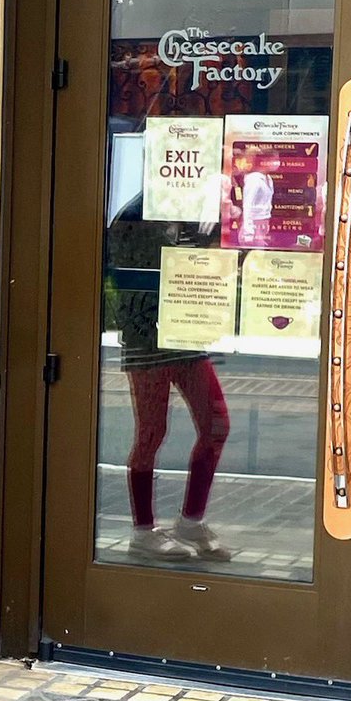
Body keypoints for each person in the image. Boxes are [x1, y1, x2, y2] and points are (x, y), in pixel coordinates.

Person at [107, 193, 232, 561]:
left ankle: (190, 522)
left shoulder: (195, 210)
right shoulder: (135, 215)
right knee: (150, 433)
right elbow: (135, 282)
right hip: (148, 341)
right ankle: (143, 531)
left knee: (216, 425)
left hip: (184, 337)